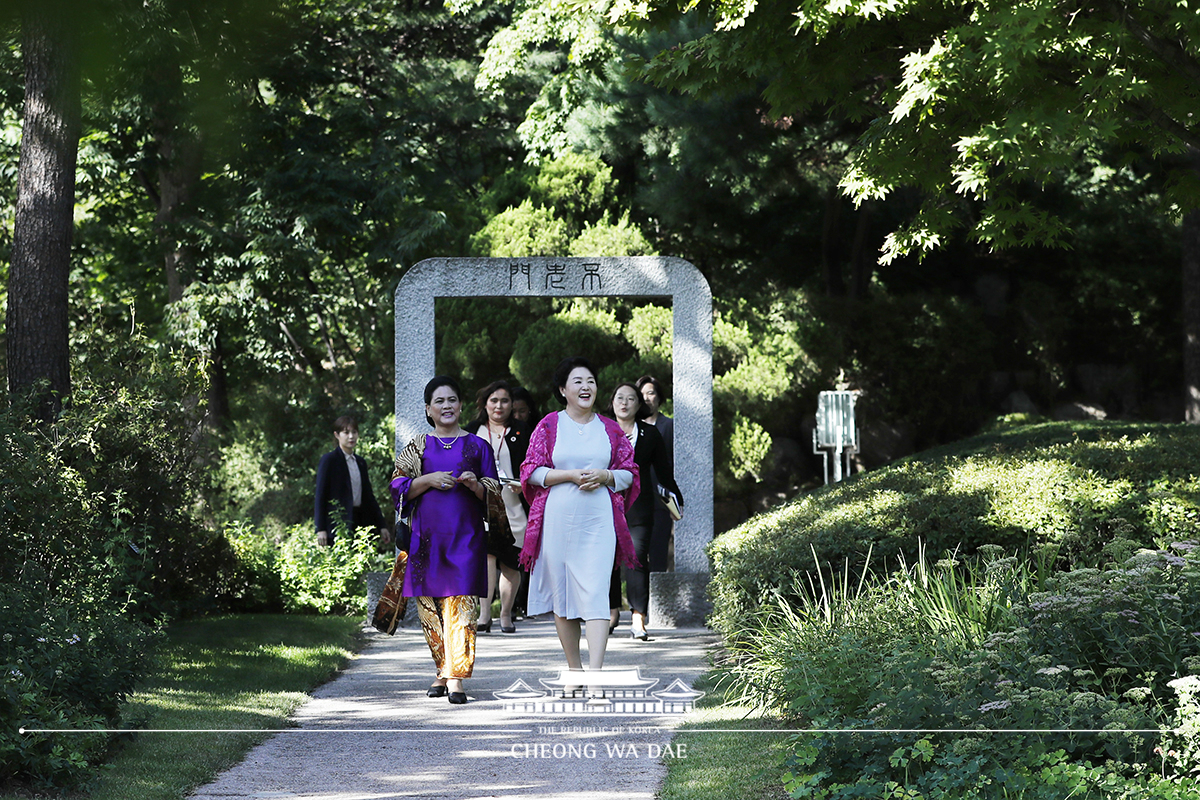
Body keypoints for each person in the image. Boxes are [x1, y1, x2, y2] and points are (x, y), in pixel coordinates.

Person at [519, 357, 639, 689]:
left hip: (599, 520)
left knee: (597, 594)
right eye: (577, 381)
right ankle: (574, 671)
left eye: (590, 381)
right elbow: (531, 471)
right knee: (564, 598)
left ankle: (597, 676)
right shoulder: (548, 426)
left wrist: (606, 475)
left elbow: (630, 474)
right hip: (558, 520)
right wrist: (569, 475)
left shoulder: (610, 428)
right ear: (563, 390)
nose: (586, 387)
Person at [391, 376, 499, 705]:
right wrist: (427, 480)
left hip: (465, 538)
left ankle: (456, 680)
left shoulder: (478, 446)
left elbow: (495, 493)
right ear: (428, 409)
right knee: (430, 609)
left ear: (461, 405)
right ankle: (443, 670)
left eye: (452, 400)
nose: (447, 406)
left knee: (462, 607)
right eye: (439, 401)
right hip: (426, 540)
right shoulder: (418, 446)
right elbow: (397, 485)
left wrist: (475, 485)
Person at [608, 383, 683, 640]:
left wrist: (676, 499)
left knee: (638, 557)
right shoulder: (601, 431)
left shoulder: (650, 434)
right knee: (608, 559)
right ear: (613, 402)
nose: (625, 403)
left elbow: (663, 472)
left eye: (631, 399)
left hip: (640, 506)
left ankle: (638, 617)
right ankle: (611, 609)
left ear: (639, 405)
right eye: (620, 398)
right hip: (605, 505)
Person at [467, 380, 531, 633]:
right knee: (487, 556)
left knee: (511, 563)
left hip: (514, 505)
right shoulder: (472, 431)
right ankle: (484, 615)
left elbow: (532, 466)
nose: (499, 405)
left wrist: (523, 484)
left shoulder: (522, 431)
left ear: (511, 405)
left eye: (505, 401)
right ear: (485, 403)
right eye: (494, 400)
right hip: (480, 505)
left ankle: (506, 613)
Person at [314, 415, 391, 547]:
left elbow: (368, 496)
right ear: (337, 435)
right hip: (338, 526)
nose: (351, 437)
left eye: (354, 432)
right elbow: (320, 495)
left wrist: (382, 525)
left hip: (361, 523)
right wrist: (320, 529)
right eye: (346, 432)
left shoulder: (360, 462)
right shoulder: (329, 461)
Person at [636, 375, 676, 571]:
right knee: (637, 555)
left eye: (650, 393)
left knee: (659, 554)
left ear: (659, 397)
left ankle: (659, 600)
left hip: (661, 501)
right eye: (641, 394)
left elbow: (673, 465)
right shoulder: (630, 428)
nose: (646, 398)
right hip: (635, 501)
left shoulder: (669, 426)